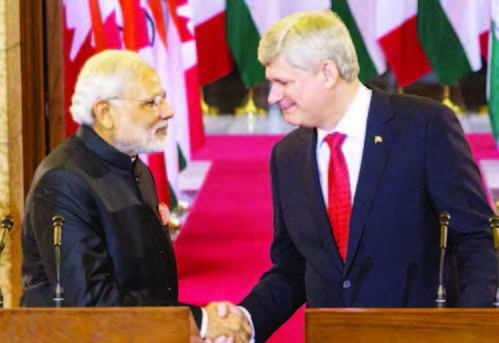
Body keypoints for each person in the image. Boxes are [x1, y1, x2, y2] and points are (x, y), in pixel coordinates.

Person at [212, 9, 497, 343]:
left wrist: (469, 332)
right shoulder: (286, 155)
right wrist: (246, 320)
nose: (273, 97)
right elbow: (293, 269)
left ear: (328, 73)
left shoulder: (425, 127)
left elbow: (477, 239)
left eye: (283, 82)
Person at [20, 49, 250, 343]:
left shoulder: (135, 167)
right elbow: (91, 305)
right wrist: (200, 322)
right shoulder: (63, 182)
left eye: (163, 98)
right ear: (105, 113)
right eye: (151, 102)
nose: (167, 111)